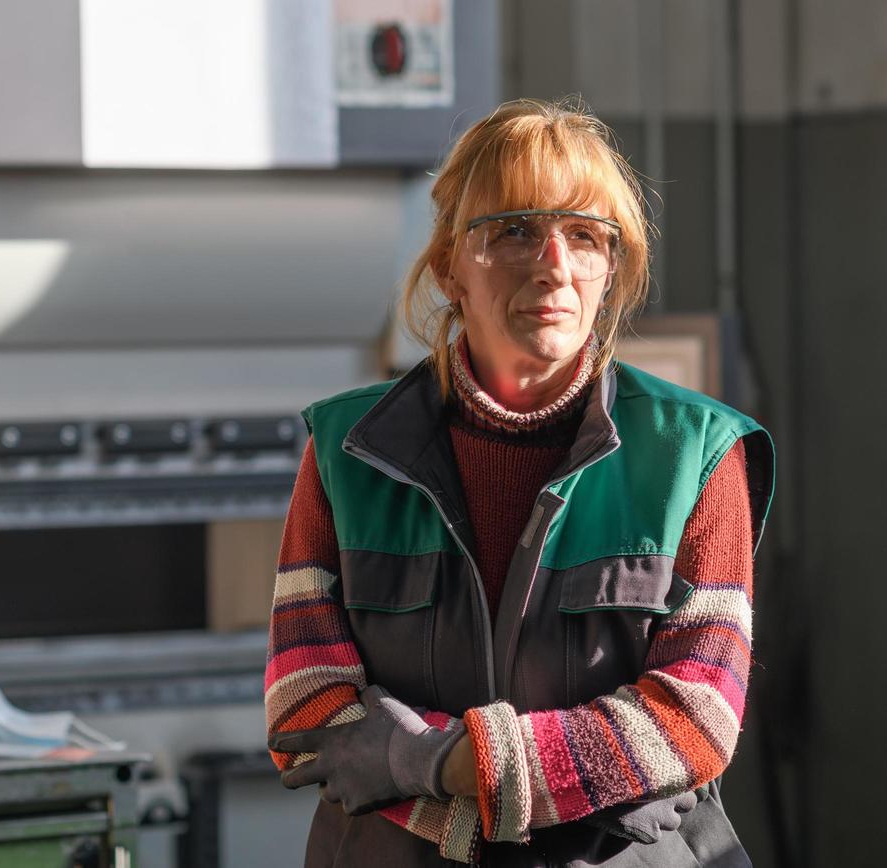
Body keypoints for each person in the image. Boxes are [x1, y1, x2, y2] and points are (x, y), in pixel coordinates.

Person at [264, 98, 774, 867]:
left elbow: (696, 717)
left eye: (585, 235)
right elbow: (305, 705)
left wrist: (435, 762)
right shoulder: (347, 451)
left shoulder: (696, 453)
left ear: (611, 271)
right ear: (448, 267)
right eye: (514, 230)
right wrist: (484, 791)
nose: (554, 264)